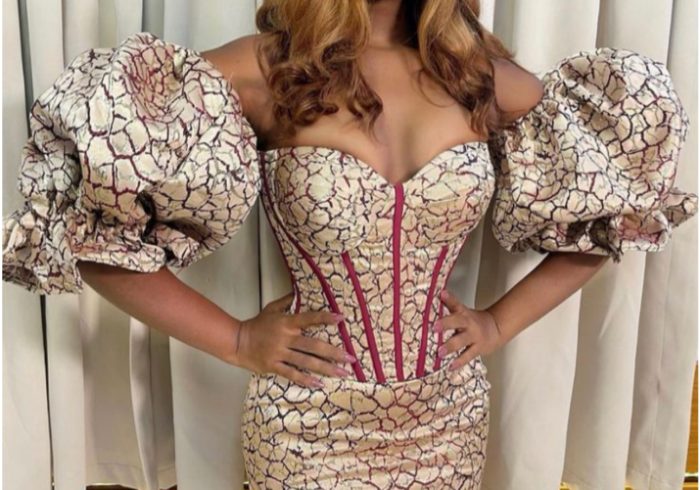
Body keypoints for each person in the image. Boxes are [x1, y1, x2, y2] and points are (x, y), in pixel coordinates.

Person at [3, 0, 697, 488]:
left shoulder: (475, 76)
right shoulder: (266, 71)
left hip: (447, 417)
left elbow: (617, 211)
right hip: (305, 424)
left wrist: (497, 323)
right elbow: (88, 233)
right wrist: (236, 340)